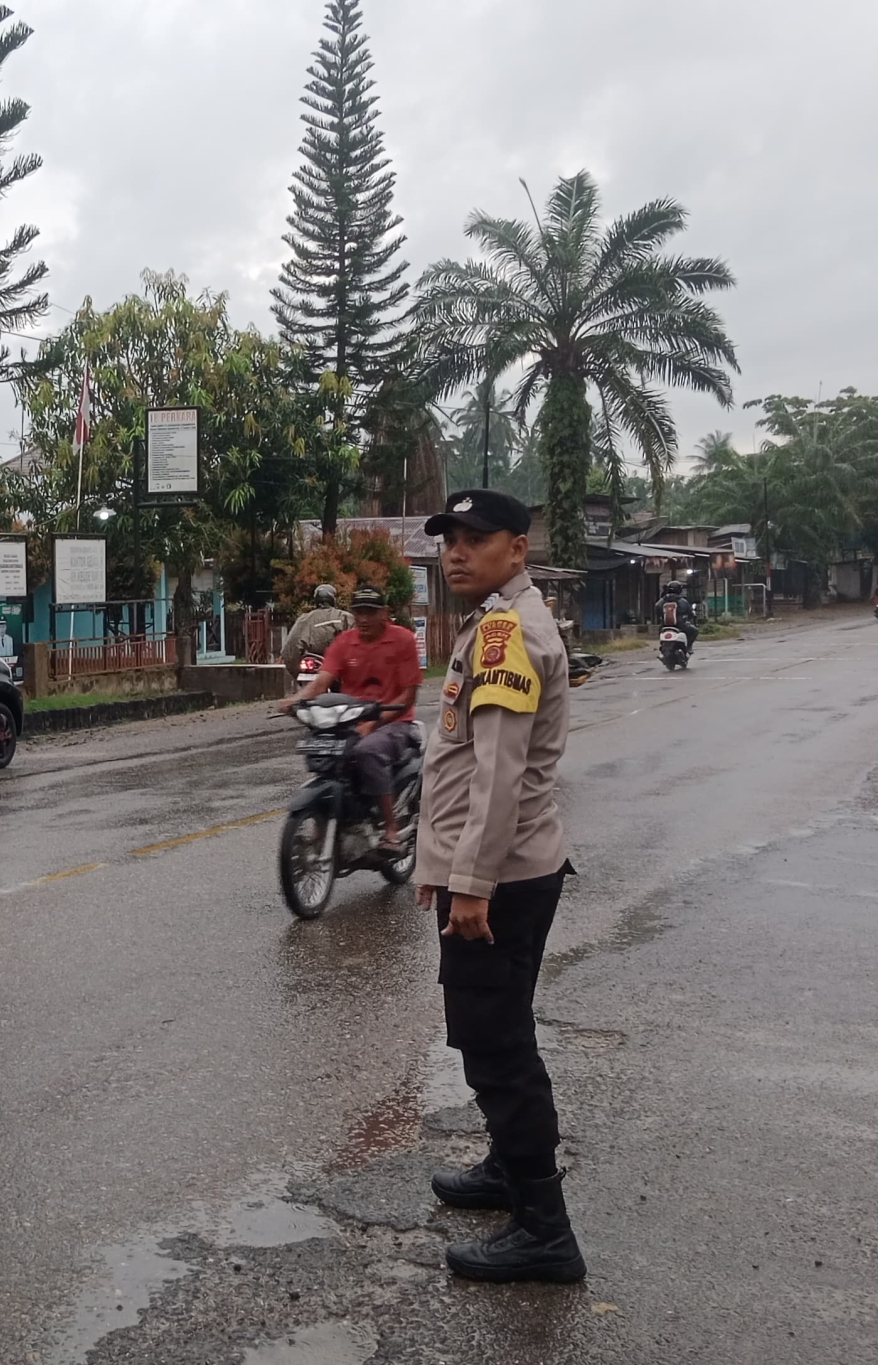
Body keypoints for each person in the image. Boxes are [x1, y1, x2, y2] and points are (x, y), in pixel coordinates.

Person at [414, 487, 586, 1285]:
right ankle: (504, 1170)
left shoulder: (506, 633)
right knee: (500, 1027)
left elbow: (498, 774)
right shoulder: (495, 621)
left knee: (496, 1047)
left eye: (476, 538)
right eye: (450, 537)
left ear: (517, 547)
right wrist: (438, 870)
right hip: (505, 869)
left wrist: (470, 884)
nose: (456, 551)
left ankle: (544, 1231)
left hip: (504, 877)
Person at [280, 585, 421, 847]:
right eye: (359, 612)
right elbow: (321, 682)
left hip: (394, 721)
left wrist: (373, 723)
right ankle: (331, 816)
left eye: (370, 611)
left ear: (384, 613)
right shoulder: (344, 641)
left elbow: (408, 697)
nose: (364, 618)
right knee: (322, 750)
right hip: (348, 719)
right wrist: (296, 701)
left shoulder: (403, 640)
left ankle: (390, 828)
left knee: (368, 751)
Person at [280, 583, 352, 674]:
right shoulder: (345, 617)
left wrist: (296, 672)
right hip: (340, 670)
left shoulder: (304, 619)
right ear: (333, 599)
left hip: (314, 668)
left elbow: (290, 650)